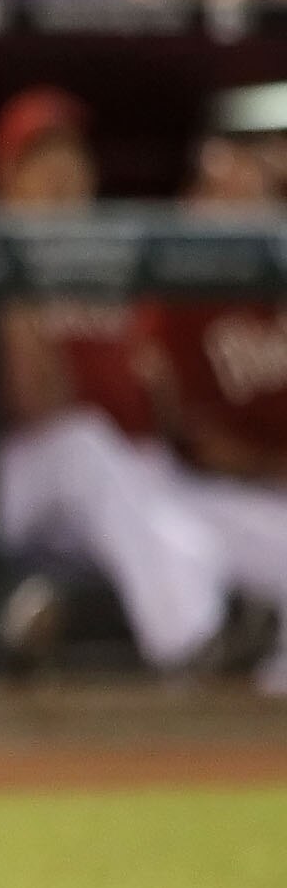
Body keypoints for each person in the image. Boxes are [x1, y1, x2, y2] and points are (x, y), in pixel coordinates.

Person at [0, 88, 231, 673]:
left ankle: (243, 697)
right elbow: (38, 405)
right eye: (41, 160)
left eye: (71, 155)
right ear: (8, 179)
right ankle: (190, 644)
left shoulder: (122, 264)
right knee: (82, 444)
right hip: (14, 483)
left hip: (133, 483)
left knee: (222, 533)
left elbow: (168, 410)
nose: (62, 172)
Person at [145, 141, 287, 692]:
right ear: (193, 204)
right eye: (227, 197)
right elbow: (201, 444)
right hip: (198, 493)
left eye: (257, 197)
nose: (246, 211)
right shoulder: (174, 301)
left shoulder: (274, 291)